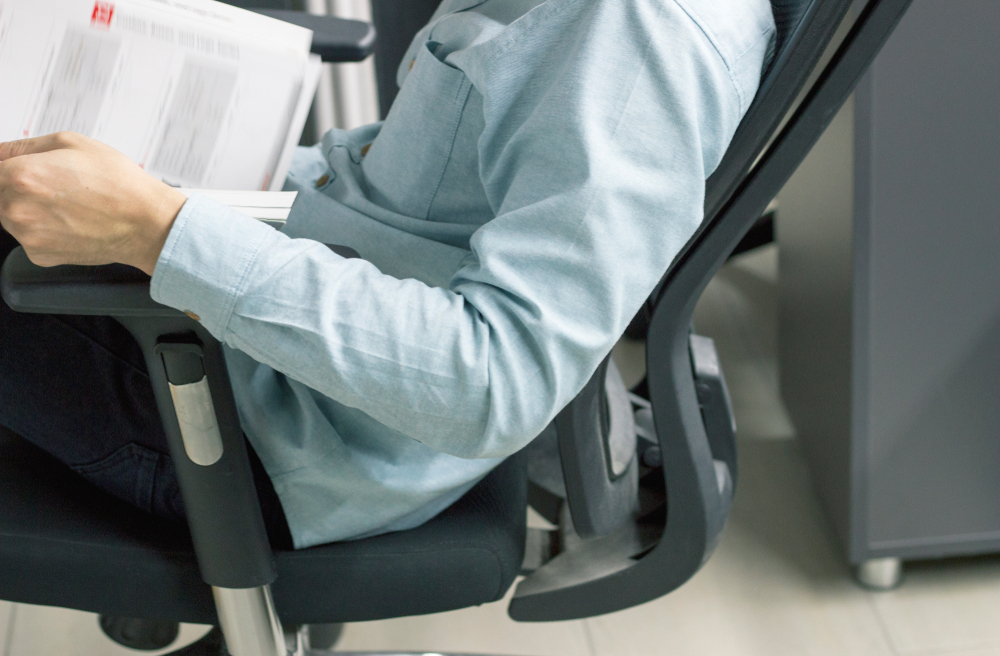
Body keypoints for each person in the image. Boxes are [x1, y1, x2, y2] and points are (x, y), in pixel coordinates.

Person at [0, 0, 776, 549]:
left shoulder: (638, 38)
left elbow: (494, 382)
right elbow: (441, 189)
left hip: (263, 424)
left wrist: (157, 228)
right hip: (275, 322)